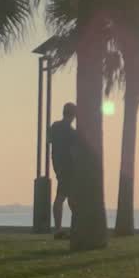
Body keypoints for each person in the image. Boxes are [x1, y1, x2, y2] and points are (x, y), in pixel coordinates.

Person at [47, 102, 77, 237]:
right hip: (68, 167)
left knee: (70, 197)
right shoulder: (71, 132)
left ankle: (66, 228)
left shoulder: (54, 127)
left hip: (58, 165)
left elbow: (49, 141)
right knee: (62, 197)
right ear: (73, 115)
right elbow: (73, 151)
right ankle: (59, 229)